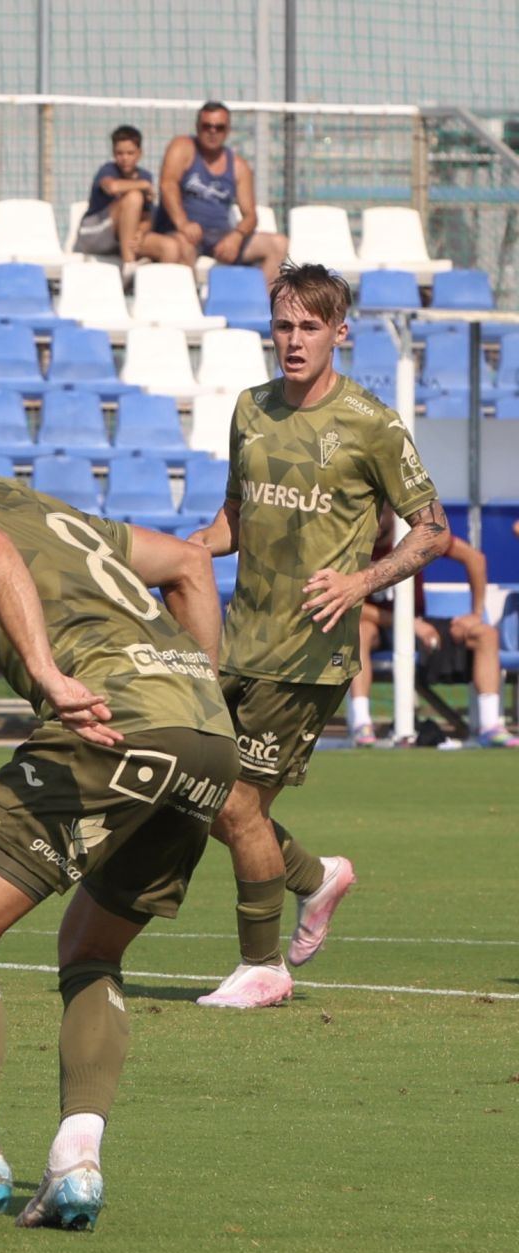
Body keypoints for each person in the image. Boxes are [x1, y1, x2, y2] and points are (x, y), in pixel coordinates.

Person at [0, 375, 238, 1236]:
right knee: (90, 946)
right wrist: (199, 699)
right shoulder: (49, 506)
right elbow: (189, 562)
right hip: (205, 732)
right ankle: (75, 1162)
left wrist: (51, 675)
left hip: (110, 721)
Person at [186, 263, 446, 1008]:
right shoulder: (250, 409)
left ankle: (263, 965)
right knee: (191, 788)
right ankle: (316, 876)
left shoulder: (371, 422)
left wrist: (360, 582)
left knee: (236, 805)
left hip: (311, 646)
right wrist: (188, 552)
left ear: (340, 332)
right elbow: (234, 514)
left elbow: (433, 531)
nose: (293, 341)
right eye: (283, 325)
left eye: (309, 327)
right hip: (237, 638)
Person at [350, 516, 518, 748]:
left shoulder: (416, 537)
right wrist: (405, 623)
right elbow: (349, 602)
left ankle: (490, 727)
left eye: (382, 505)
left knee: (486, 634)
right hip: (377, 625)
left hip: (418, 621)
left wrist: (475, 614)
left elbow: (475, 558)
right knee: (359, 631)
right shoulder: (353, 543)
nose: (376, 514)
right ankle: (361, 724)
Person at [152, 102, 288, 285]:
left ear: (228, 130)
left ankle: (264, 306)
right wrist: (183, 223)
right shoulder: (183, 147)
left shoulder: (239, 166)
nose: (212, 131)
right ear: (197, 127)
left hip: (221, 236)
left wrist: (236, 236)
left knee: (279, 244)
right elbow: (168, 185)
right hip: (182, 233)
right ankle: (190, 307)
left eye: (219, 127)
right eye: (206, 126)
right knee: (182, 246)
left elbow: (250, 216)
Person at [72, 125, 189, 268]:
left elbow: (147, 216)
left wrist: (141, 232)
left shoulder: (145, 176)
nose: (124, 158)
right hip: (95, 235)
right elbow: (112, 187)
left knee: (170, 247)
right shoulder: (108, 170)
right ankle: (129, 265)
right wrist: (143, 185)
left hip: (124, 238)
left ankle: (156, 287)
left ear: (139, 153)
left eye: (130, 153)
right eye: (119, 153)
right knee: (134, 197)